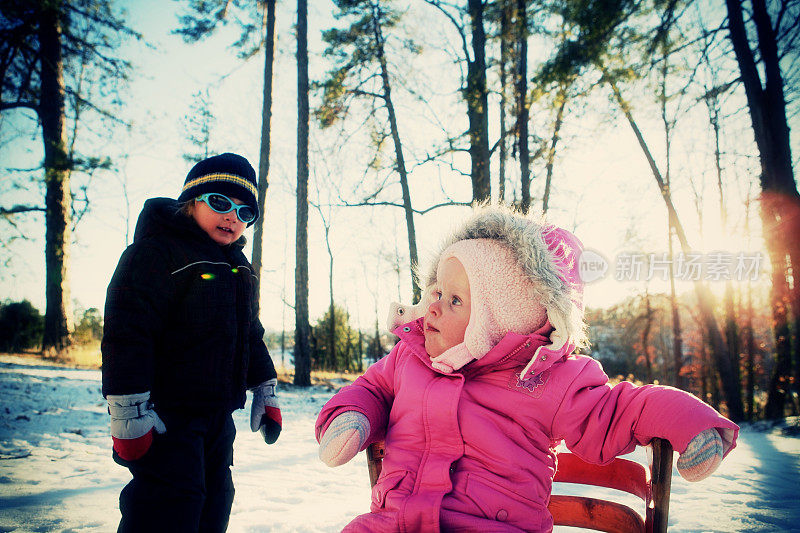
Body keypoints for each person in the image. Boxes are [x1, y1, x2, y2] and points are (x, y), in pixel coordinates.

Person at [315, 205, 739, 532]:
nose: (434, 306)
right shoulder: (410, 358)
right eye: (436, 291)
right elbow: (371, 388)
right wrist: (349, 418)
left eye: (457, 300)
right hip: (394, 523)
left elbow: (619, 410)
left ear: (499, 317)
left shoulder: (544, 380)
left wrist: (693, 424)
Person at [102, 153, 282, 533]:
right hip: (166, 415)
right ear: (192, 201)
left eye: (245, 211)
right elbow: (128, 333)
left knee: (216, 498)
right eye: (221, 202)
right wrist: (128, 411)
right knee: (170, 504)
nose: (232, 216)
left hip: (219, 414)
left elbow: (250, 332)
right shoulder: (156, 253)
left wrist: (265, 389)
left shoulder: (238, 266)